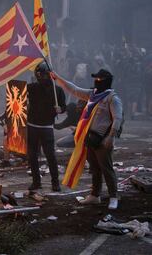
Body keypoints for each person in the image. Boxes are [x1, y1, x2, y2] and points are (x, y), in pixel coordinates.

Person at [51, 69, 123, 209]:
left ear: (106, 81)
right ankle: (95, 195)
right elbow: (74, 89)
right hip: (90, 137)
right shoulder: (92, 94)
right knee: (95, 169)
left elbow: (117, 119)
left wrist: (110, 137)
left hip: (103, 139)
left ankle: (114, 196)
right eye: (95, 79)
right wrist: (57, 78)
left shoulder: (112, 98)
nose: (96, 81)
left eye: (99, 79)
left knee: (106, 169)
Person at [27, 62, 66, 192]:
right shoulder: (31, 88)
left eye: (43, 74)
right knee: (32, 156)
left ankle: (55, 182)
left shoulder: (58, 91)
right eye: (39, 75)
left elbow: (63, 107)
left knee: (50, 155)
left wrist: (60, 109)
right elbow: (17, 95)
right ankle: (36, 182)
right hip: (32, 125)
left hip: (47, 127)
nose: (41, 77)